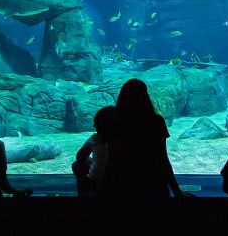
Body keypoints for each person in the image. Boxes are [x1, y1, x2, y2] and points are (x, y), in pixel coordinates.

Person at [98, 79, 188, 232]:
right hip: (152, 184)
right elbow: (162, 159)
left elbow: (112, 161)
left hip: (122, 185)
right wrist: (177, 191)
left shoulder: (114, 122)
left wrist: (101, 190)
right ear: (145, 96)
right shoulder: (156, 121)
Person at [72, 105, 117, 198]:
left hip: (96, 182)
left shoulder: (95, 138)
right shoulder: (128, 139)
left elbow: (80, 157)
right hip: (119, 183)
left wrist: (92, 160)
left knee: (76, 165)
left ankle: (84, 195)